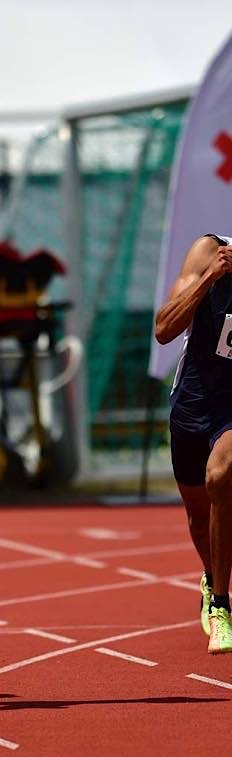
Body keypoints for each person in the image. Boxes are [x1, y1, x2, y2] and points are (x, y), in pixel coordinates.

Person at [155, 232, 232, 653]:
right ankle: (211, 576)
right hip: (194, 402)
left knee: (222, 475)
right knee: (198, 511)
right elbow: (164, 329)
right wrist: (211, 277)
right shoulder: (210, 250)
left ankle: (221, 603)